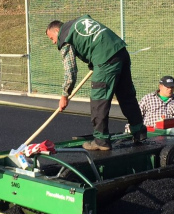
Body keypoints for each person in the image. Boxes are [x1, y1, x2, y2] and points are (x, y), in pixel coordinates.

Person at [46, 16, 146, 151]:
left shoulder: (65, 38)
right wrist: (94, 63)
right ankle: (139, 132)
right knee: (126, 95)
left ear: (57, 31)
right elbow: (94, 40)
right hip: (121, 52)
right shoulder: (79, 21)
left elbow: (71, 70)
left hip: (106, 60)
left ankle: (101, 140)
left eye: (51, 38)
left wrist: (65, 94)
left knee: (99, 100)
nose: (53, 42)